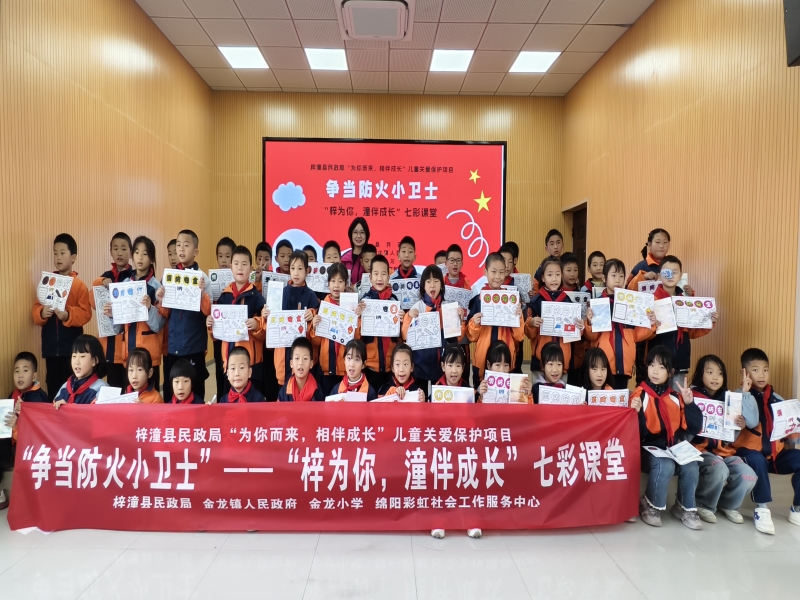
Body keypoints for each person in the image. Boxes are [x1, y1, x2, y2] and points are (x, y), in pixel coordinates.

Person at [633, 345, 703, 529]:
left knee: (691, 465)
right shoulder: (640, 395)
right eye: (652, 365)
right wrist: (637, 413)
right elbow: (636, 433)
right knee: (665, 464)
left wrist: (689, 404)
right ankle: (649, 505)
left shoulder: (675, 397)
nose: (655, 371)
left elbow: (694, 427)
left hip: (672, 448)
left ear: (670, 372)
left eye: (662, 367)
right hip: (646, 450)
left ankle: (684, 508)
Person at [733, 348, 800, 534]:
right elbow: (752, 421)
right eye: (755, 370)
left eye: (765, 370)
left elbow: (790, 436)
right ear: (744, 372)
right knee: (757, 459)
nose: (761, 375)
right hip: (747, 452)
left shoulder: (777, 399)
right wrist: (746, 394)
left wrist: (794, 432)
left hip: (774, 454)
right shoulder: (737, 396)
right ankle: (761, 509)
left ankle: (797, 508)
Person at [689, 355, 757, 525]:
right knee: (719, 469)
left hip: (723, 452)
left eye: (719, 373)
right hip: (699, 451)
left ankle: (728, 504)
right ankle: (702, 503)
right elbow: (685, 431)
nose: (715, 377)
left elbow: (730, 438)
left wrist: (739, 426)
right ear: (700, 374)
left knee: (748, 474)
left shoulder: (729, 399)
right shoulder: (692, 396)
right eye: (710, 372)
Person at [32, 233, 92, 400]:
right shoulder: (47, 282)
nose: (58, 257)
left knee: (72, 387)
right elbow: (35, 309)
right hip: (51, 348)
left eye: (62, 253)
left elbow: (86, 313)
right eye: (55, 253)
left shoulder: (79, 285)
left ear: (73, 257)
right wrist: (41, 313)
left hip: (72, 349)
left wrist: (68, 315)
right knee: (53, 386)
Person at [156, 229, 212, 402]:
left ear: (195, 251)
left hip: (194, 345)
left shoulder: (202, 278)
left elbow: (208, 312)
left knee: (196, 390)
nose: (181, 249)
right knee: (172, 391)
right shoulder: (169, 277)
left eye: (186, 245)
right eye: (178, 245)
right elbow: (165, 313)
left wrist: (202, 293)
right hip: (172, 345)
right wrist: (161, 299)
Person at [584, 259, 657, 389]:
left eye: (621, 276)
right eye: (613, 275)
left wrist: (650, 324)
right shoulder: (598, 303)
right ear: (604, 278)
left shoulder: (631, 303)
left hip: (624, 363)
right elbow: (592, 337)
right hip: (603, 365)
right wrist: (589, 322)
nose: (618, 279)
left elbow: (636, 335)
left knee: (621, 398)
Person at [647, 255, 717, 387]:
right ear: (659, 275)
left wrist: (709, 321)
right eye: (666, 272)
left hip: (680, 361)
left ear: (680, 276)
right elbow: (644, 333)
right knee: (656, 396)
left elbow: (692, 332)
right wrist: (652, 325)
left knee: (677, 397)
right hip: (657, 363)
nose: (670, 276)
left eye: (675, 272)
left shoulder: (686, 302)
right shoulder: (651, 300)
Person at [106, 236, 165, 390]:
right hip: (129, 355)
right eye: (137, 252)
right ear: (132, 255)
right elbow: (118, 329)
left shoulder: (156, 287)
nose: (140, 257)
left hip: (149, 357)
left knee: (150, 397)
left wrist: (150, 308)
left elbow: (158, 325)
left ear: (151, 259)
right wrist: (113, 315)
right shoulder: (124, 285)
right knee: (130, 398)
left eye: (145, 254)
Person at [207, 245, 266, 395]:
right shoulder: (224, 296)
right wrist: (211, 325)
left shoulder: (257, 297)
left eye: (244, 264)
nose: (240, 268)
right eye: (236, 263)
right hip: (229, 362)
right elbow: (216, 335)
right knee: (229, 401)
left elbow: (265, 328)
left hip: (251, 363)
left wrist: (256, 324)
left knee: (252, 401)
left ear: (251, 268)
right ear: (231, 267)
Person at [402, 265, 465, 394]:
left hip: (441, 366)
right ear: (423, 286)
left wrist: (460, 320)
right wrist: (408, 317)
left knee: (439, 400)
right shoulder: (417, 307)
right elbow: (405, 336)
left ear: (441, 285)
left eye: (436, 281)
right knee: (420, 398)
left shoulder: (448, 308)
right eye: (428, 281)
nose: (432, 285)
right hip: (419, 365)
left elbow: (456, 339)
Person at [467, 253, 525, 388]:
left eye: (501, 272)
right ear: (485, 272)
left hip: (505, 360)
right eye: (493, 272)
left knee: (504, 393)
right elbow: (471, 336)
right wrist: (475, 323)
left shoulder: (512, 300)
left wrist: (519, 317)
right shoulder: (478, 300)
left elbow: (519, 336)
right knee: (481, 393)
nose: (497, 276)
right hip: (482, 359)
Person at [263, 250, 318, 387]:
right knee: (284, 386)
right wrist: (266, 315)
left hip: (303, 350)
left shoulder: (311, 295)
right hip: (283, 350)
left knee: (302, 383)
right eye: (293, 268)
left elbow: (317, 321)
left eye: (300, 269)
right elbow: (270, 322)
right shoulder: (280, 293)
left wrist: (312, 314)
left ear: (307, 271)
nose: (296, 273)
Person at [524, 257, 581, 380]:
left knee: (560, 391)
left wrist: (579, 327)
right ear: (543, 277)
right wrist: (531, 323)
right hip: (540, 363)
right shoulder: (535, 301)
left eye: (558, 274)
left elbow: (574, 335)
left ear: (562, 276)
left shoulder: (568, 301)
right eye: (550, 275)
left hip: (562, 362)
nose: (554, 279)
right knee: (539, 391)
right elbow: (529, 334)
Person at [90, 232, 132, 388]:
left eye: (124, 249)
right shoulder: (105, 277)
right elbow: (93, 302)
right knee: (114, 390)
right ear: (110, 252)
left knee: (130, 390)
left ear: (131, 252)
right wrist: (100, 282)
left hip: (129, 347)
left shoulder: (133, 278)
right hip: (109, 347)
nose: (119, 253)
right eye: (115, 249)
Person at [311, 263, 358, 395]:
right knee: (327, 402)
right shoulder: (322, 306)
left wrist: (357, 318)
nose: (336, 285)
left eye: (340, 281)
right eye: (333, 281)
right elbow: (316, 342)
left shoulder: (351, 306)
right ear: (328, 283)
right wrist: (314, 327)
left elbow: (357, 338)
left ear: (346, 284)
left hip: (346, 369)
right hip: (326, 369)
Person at [358, 254, 402, 391]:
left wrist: (402, 319)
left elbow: (401, 335)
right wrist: (358, 317)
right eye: (376, 274)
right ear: (370, 277)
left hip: (391, 367)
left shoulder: (394, 301)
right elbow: (357, 336)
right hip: (370, 367)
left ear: (388, 277)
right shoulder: (364, 302)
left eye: (383, 274)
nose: (379, 278)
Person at [1, 352, 50, 477]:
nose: (20, 375)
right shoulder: (13, 394)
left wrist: (17, 425)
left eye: (25, 370)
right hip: (11, 441)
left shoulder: (38, 398)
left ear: (34, 376)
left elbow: (39, 432)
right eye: (17, 371)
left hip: (30, 447)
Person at [53, 335, 108, 407]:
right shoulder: (65, 387)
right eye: (74, 356)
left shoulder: (102, 389)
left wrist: (69, 408)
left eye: (82, 356)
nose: (76, 362)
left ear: (94, 361)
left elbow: (99, 413)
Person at [212, 236, 237, 398]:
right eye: (220, 256)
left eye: (227, 256)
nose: (223, 260)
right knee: (220, 371)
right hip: (219, 335)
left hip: (235, 336)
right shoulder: (211, 280)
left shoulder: (239, 279)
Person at [477, 340, 533, 404]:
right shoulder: (483, 386)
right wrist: (480, 396)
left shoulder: (517, 385)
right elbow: (478, 409)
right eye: (497, 365)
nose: (502, 370)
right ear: (488, 365)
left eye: (506, 365)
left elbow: (526, 408)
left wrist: (528, 395)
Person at [533, 229, 564, 294]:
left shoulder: (567, 265)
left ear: (563, 245)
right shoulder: (541, 267)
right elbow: (536, 288)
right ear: (546, 248)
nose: (555, 247)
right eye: (552, 244)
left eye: (558, 242)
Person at [341, 217, 370, 285]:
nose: (359, 236)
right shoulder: (344, 259)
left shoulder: (371, 258)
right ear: (351, 234)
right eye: (355, 232)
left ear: (366, 235)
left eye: (362, 232)